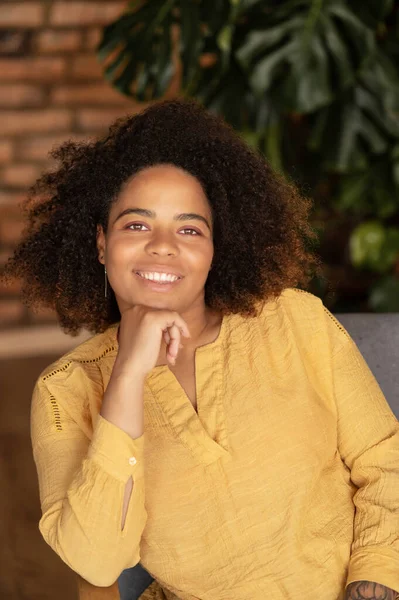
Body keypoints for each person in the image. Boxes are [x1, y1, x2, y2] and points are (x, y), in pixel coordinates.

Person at [2, 99, 399, 600]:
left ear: (216, 251)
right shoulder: (65, 390)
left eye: (190, 228)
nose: (163, 245)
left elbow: (387, 460)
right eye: (137, 224)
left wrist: (376, 577)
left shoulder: (294, 319)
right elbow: (97, 562)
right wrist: (126, 377)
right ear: (102, 245)